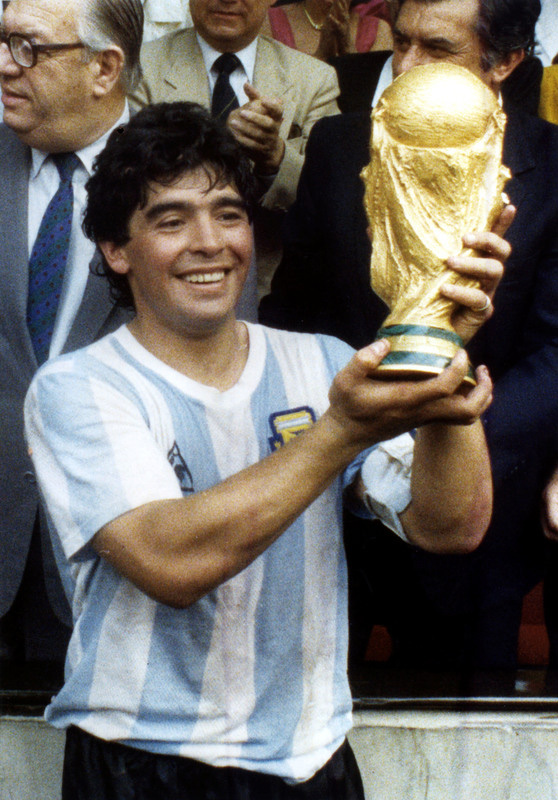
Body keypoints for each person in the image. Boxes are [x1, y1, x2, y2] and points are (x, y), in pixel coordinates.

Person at [24, 100, 501, 799]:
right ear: (115, 249)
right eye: (170, 219)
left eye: (228, 212)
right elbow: (172, 561)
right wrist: (339, 430)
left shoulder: (322, 362)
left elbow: (449, 524)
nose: (209, 241)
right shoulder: (80, 389)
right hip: (144, 761)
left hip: (311, 759)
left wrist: (445, 343)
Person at [261, 0, 558, 681]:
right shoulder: (340, 149)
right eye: (400, 43)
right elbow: (292, 316)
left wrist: (442, 437)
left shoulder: (553, 171)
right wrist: (339, 434)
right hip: (328, 516)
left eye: (437, 48)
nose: (407, 67)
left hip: (478, 533)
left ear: (505, 61)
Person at [0, 0, 143, 665]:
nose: (5, 65)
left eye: (28, 47)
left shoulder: (183, 179)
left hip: (113, 560)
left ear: (103, 68)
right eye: (1, 42)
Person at [129, 0, 340, 299]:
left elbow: (333, 197)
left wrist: (275, 157)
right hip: (166, 281)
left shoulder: (314, 80)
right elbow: (127, 175)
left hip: (274, 288)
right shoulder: (140, 67)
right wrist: (219, 140)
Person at [263, 0, 393, 61]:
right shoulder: (267, 21)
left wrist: (348, 52)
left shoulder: (379, 31)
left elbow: (374, 104)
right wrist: (321, 55)